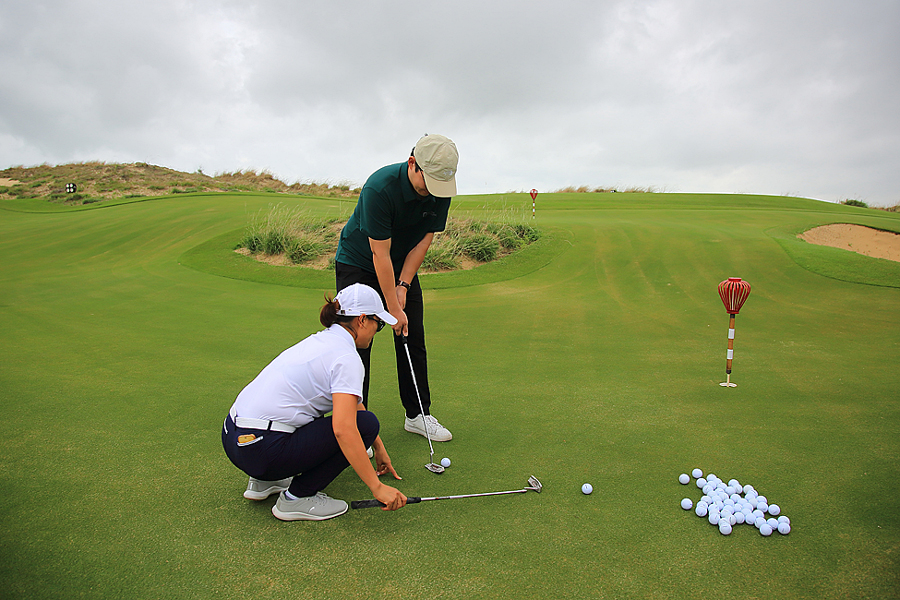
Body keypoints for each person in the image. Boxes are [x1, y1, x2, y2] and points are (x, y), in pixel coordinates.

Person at [222, 283, 408, 521]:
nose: (376, 330)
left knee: (340, 419)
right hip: (261, 450)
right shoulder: (346, 357)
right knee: (366, 424)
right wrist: (377, 487)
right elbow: (345, 429)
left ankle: (263, 482)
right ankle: (296, 498)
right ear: (362, 320)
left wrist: (378, 447)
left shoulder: (319, 341)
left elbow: (351, 405)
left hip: (234, 439)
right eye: (378, 323)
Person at [333, 134, 458, 443]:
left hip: (400, 265)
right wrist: (393, 305)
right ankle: (356, 426)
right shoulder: (380, 187)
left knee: (411, 333)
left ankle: (417, 414)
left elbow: (424, 239)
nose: (432, 191)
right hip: (359, 263)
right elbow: (379, 253)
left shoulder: (440, 186)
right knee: (359, 342)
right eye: (426, 182)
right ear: (412, 163)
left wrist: (403, 286)